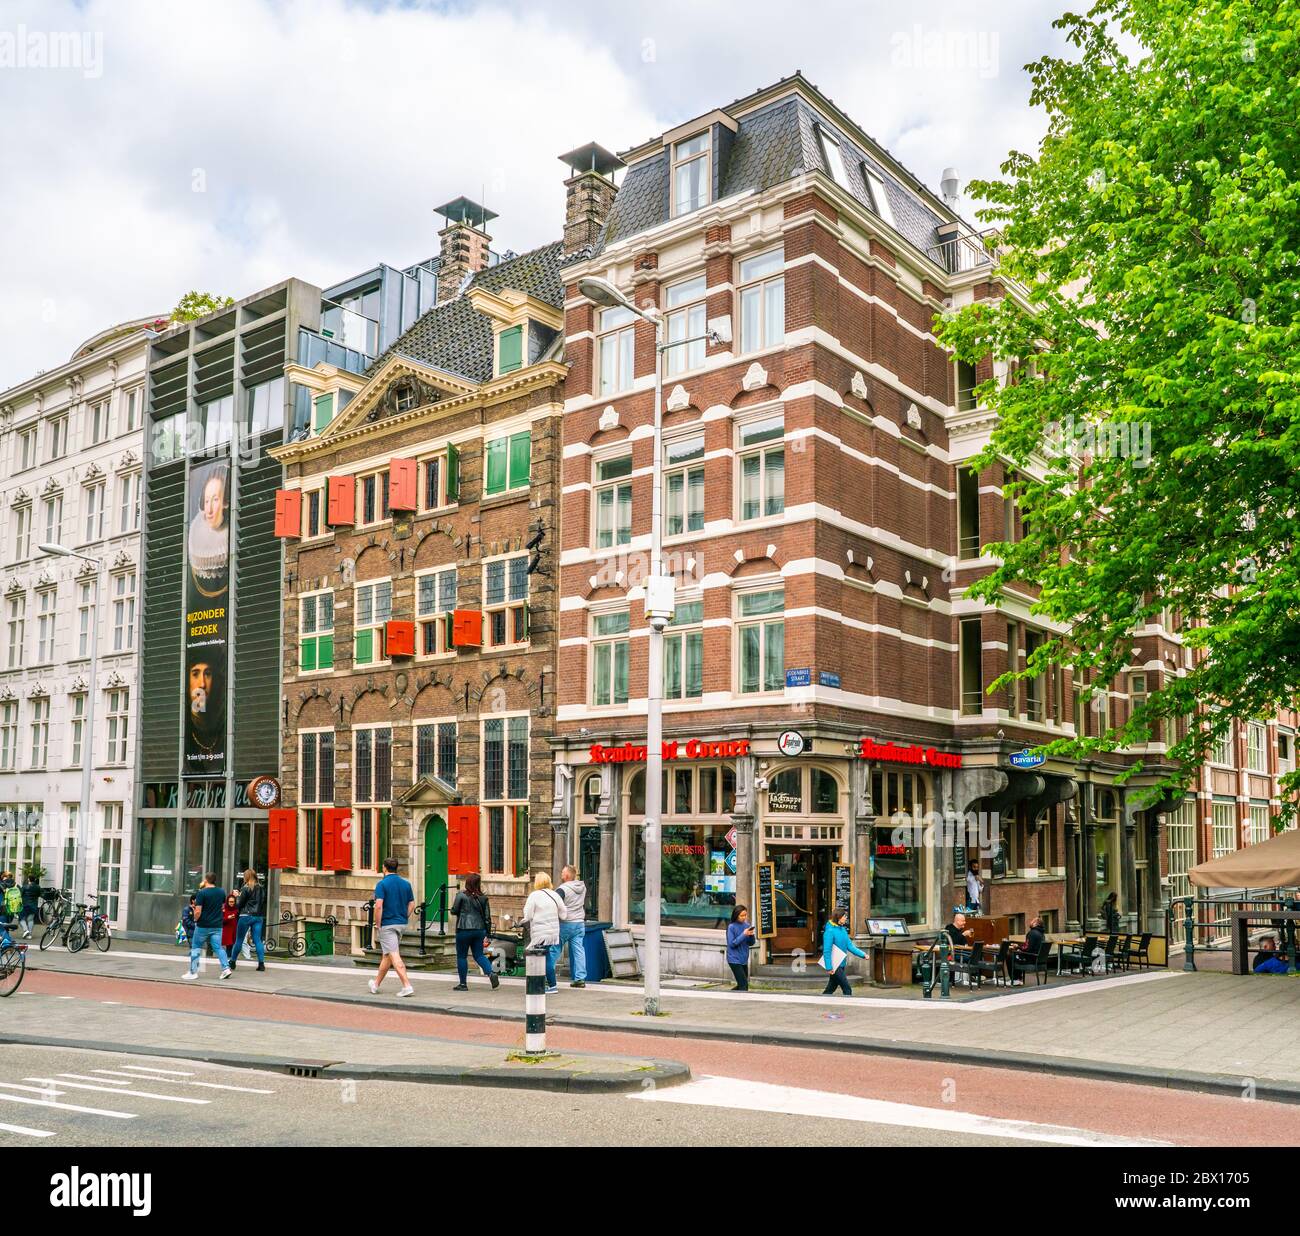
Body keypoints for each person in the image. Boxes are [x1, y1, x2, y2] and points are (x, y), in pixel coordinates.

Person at [368, 856, 416, 997]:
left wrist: (378, 923)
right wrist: (403, 916)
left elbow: (378, 905)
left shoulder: (382, 884)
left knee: (394, 955)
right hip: (401, 923)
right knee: (387, 955)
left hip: (387, 924)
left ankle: (407, 986)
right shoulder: (406, 884)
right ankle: (375, 984)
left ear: (384, 868)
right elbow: (412, 904)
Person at [449, 872, 499, 991]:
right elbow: (487, 917)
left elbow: (454, 911)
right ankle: (491, 973)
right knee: (479, 955)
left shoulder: (460, 895)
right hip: (479, 930)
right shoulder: (483, 898)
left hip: (463, 929)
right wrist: (487, 933)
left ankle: (463, 984)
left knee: (462, 956)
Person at [522, 871, 564, 994]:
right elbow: (564, 913)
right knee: (547, 955)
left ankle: (551, 985)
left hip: (540, 933)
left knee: (545, 957)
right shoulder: (555, 895)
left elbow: (528, 915)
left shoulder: (534, 896)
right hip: (553, 933)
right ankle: (549, 983)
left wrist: (525, 919)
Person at [183, 873, 231, 981]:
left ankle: (193, 972)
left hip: (203, 925)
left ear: (206, 880)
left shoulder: (202, 893)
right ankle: (226, 968)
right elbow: (222, 907)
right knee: (218, 947)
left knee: (196, 947)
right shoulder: (221, 892)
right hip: (217, 925)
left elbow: (198, 911)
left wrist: (195, 919)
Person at [555, 864, 588, 988]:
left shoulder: (562, 889)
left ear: (567, 875)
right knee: (579, 951)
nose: (561, 874)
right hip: (579, 923)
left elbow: (555, 904)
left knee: (555, 949)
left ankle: (549, 977)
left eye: (563, 873)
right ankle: (580, 979)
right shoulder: (582, 887)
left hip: (565, 923)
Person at [821, 908, 866, 996]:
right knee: (847, 988)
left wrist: (863, 955)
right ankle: (848, 1003)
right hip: (834, 965)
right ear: (838, 917)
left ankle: (823, 999)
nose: (846, 918)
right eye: (844, 916)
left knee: (831, 987)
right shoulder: (829, 931)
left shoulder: (843, 930)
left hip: (841, 963)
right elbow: (827, 951)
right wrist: (829, 967)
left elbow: (850, 946)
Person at [231, 869, 267, 972]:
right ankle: (261, 964)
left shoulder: (246, 888)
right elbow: (262, 902)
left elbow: (239, 905)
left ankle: (233, 962)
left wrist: (237, 896)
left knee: (239, 940)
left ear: (246, 877)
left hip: (246, 916)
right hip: (258, 916)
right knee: (257, 940)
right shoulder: (261, 888)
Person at [726, 906, 757, 991]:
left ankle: (729, 995)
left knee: (742, 984)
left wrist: (751, 935)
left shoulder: (747, 926)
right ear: (736, 916)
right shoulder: (731, 927)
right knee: (744, 985)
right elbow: (732, 944)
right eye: (742, 916)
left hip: (744, 959)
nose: (744, 917)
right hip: (734, 959)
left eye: (745, 915)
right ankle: (743, 1002)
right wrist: (744, 934)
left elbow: (751, 943)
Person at [18, 873, 40, 939]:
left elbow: (20, 894)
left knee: (21, 918)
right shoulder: (38, 887)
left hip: (25, 905)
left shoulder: (25, 886)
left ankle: (25, 930)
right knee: (30, 920)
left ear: (28, 879)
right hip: (33, 905)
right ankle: (29, 935)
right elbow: (39, 894)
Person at [221, 893, 239, 968]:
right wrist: (227, 918)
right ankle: (229, 961)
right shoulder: (224, 909)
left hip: (235, 930)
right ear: (227, 902)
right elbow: (221, 920)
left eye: (233, 902)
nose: (231, 903)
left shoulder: (237, 909)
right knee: (229, 946)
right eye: (230, 902)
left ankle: (232, 961)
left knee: (235, 946)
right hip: (227, 931)